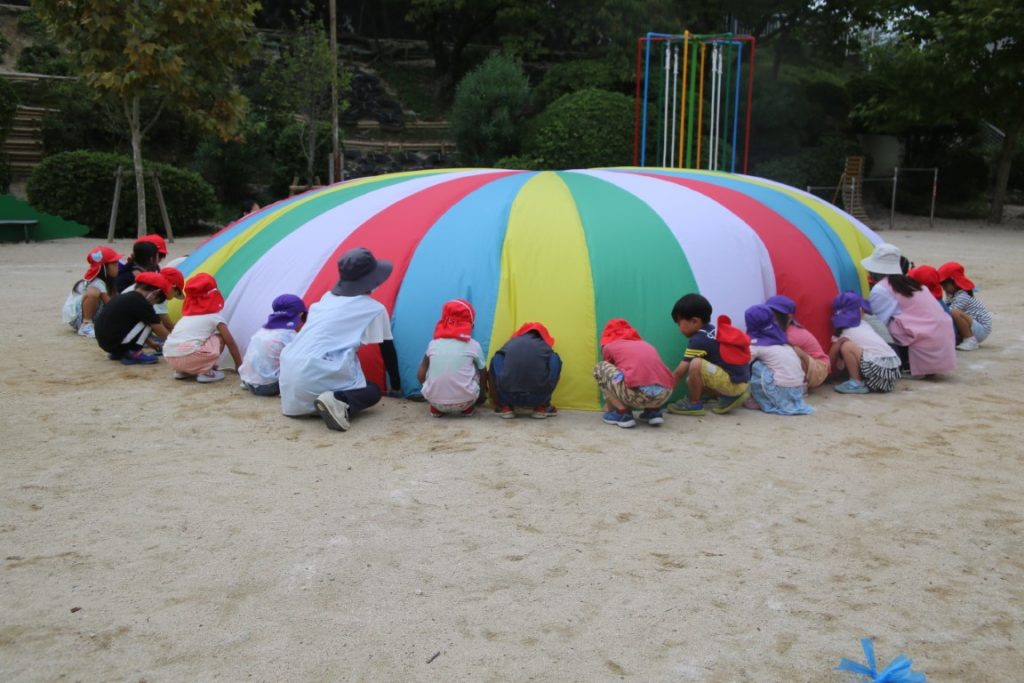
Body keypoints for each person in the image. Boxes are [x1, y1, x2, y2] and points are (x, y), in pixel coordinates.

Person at [279, 247, 402, 431]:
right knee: (372, 391)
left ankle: (323, 401)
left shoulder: (326, 299)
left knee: (330, 381)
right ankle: (338, 401)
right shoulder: (374, 308)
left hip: (290, 381)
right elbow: (387, 349)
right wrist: (396, 387)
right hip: (316, 374)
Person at [862, 243, 956, 377]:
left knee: (873, 323)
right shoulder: (914, 284)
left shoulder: (882, 289)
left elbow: (877, 322)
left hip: (924, 347)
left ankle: (905, 364)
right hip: (941, 345)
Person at [667, 293, 751, 416]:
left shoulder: (698, 340)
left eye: (679, 323)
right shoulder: (712, 330)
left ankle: (693, 403)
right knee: (692, 380)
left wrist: (664, 391)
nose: (679, 328)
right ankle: (723, 396)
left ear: (694, 321)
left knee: (696, 364)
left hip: (733, 385)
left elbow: (679, 372)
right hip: (741, 382)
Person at [593, 319, 675, 428]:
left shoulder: (609, 346)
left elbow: (608, 380)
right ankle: (654, 411)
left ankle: (621, 413)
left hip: (636, 395)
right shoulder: (645, 344)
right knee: (654, 372)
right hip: (664, 394)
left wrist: (609, 407)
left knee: (600, 367)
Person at [163, 273, 243, 383]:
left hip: (171, 358)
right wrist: (239, 365)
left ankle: (182, 371)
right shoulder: (214, 317)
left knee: (193, 341)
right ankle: (205, 372)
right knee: (220, 337)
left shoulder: (185, 318)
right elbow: (230, 342)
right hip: (191, 357)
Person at [417, 299, 487, 417]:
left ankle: (436, 409)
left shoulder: (433, 343)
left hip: (434, 400)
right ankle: (468, 409)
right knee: (478, 368)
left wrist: (427, 387)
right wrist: (482, 393)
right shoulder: (473, 345)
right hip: (465, 401)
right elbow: (483, 371)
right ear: (471, 325)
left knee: (430, 368)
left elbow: (420, 374)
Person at [744, 304, 814, 415]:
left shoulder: (757, 346)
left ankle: (762, 401)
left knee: (756, 366)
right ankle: (784, 400)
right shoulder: (782, 341)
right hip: (797, 390)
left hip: (781, 391)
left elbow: (743, 362)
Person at [93, 271, 172, 365]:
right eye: (158, 300)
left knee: (145, 318)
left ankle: (121, 353)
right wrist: (175, 343)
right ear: (155, 293)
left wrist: (150, 343)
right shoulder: (142, 303)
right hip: (117, 342)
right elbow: (158, 328)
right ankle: (134, 351)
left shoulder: (126, 297)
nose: (154, 303)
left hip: (106, 343)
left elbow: (129, 327)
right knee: (151, 320)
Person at [829, 292, 901, 394]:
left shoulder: (844, 332)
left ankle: (856, 383)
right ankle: (864, 383)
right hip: (890, 373)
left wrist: (838, 343)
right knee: (850, 346)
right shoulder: (864, 324)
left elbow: (831, 358)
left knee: (846, 346)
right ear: (860, 311)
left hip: (880, 370)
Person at [238, 294, 308, 396]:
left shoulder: (263, 330)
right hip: (268, 387)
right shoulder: (289, 335)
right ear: (300, 315)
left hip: (248, 381)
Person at [489, 322, 561, 419]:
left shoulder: (510, 344)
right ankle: (542, 406)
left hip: (508, 396)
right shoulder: (545, 347)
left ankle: (504, 406)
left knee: (497, 357)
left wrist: (496, 400)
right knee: (555, 359)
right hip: (539, 397)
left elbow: (496, 364)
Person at [765, 295, 830, 390]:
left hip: (819, 369)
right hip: (810, 365)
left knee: (791, 350)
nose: (771, 320)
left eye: (776, 317)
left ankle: (800, 385)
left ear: (789, 317)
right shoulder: (779, 330)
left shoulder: (793, 333)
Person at [63, 245, 122, 338]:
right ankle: (86, 325)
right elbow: (111, 304)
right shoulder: (96, 282)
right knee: (93, 292)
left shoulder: (109, 281)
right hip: (78, 317)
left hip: (93, 313)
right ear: (103, 268)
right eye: (114, 264)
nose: (117, 267)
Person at [938, 262, 992, 352]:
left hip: (982, 329)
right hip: (973, 326)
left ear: (955, 282)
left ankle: (970, 340)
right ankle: (963, 338)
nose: (943, 288)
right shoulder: (952, 295)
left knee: (954, 312)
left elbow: (948, 313)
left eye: (945, 285)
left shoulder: (963, 296)